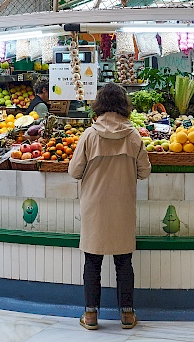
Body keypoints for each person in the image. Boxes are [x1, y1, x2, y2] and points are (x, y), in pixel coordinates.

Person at [68, 83, 151, 331]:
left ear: (99, 104)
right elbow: (145, 171)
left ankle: (91, 315)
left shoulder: (90, 135)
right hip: (123, 207)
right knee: (123, 262)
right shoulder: (134, 136)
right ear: (124, 105)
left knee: (92, 262)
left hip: (94, 208)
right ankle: (127, 315)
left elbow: (74, 171)